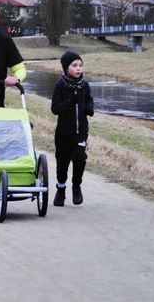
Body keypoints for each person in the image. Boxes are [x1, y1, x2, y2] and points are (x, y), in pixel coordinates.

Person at [51, 51, 94, 206]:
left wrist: (89, 108)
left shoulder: (85, 85)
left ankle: (76, 186)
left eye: (80, 65)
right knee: (62, 162)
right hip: (63, 132)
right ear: (66, 67)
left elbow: (89, 99)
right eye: (74, 65)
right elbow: (55, 108)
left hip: (81, 131)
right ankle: (61, 189)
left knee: (80, 158)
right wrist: (70, 101)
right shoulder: (60, 86)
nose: (78, 69)